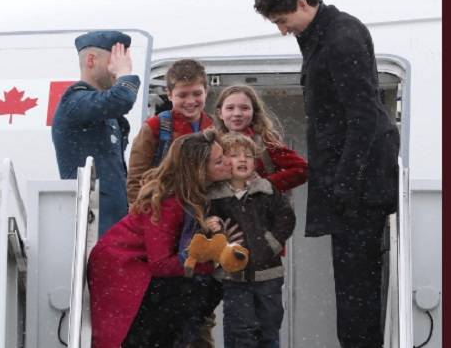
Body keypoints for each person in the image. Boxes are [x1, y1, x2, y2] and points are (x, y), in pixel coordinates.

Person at [254, 0, 400, 348]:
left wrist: (343, 185)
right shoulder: (329, 35)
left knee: (357, 287)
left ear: (304, 3)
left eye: (283, 21)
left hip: (358, 187)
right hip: (355, 182)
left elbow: (364, 116)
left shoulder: (340, 39)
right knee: (355, 285)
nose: (282, 30)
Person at [87, 129, 232, 348]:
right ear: (199, 169)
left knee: (203, 289)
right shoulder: (168, 202)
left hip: (141, 270)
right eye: (219, 161)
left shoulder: (189, 195)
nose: (228, 163)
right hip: (125, 270)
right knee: (201, 288)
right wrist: (208, 263)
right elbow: (161, 264)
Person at [206, 132, 295, 348]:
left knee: (269, 328)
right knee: (239, 330)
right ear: (223, 162)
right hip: (234, 277)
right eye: (235, 155)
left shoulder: (266, 190)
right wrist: (212, 227)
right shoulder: (214, 197)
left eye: (248, 156)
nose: (243, 159)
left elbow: (286, 217)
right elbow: (205, 228)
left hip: (269, 274)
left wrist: (271, 243)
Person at [52, 30, 139, 237]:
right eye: (116, 59)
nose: (121, 66)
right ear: (91, 60)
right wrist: (125, 75)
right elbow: (121, 100)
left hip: (113, 226)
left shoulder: (106, 114)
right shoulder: (74, 101)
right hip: (91, 228)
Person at [126, 58, 214, 204]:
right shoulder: (155, 126)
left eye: (197, 94)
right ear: (169, 94)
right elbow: (136, 180)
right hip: (163, 208)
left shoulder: (214, 127)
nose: (191, 101)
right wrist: (142, 214)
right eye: (182, 95)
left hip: (204, 209)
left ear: (206, 91)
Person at [213, 84, 307, 192]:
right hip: (222, 207)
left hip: (262, 207)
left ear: (254, 112)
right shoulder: (212, 145)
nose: (237, 113)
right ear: (220, 113)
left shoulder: (266, 142)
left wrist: (266, 184)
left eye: (244, 108)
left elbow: (302, 169)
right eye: (230, 108)